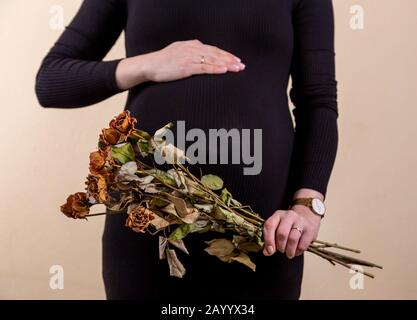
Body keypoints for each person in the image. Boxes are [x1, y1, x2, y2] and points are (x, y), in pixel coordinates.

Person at [36, 0, 338, 300]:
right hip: (146, 223)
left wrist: (308, 206)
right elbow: (51, 81)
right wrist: (150, 64)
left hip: (264, 232)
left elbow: (318, 103)